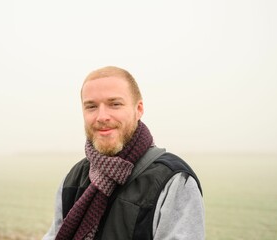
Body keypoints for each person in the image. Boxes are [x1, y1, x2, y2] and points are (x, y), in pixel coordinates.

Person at [43, 66, 204, 240]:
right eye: (91, 106)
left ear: (139, 109)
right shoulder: (73, 179)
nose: (102, 116)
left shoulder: (173, 180)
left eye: (115, 104)